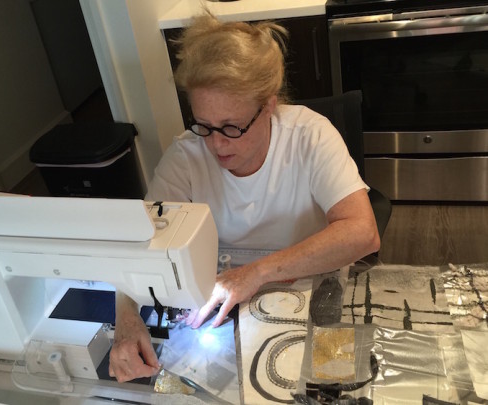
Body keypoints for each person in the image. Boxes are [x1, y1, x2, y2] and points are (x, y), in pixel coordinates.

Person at [108, 12, 380, 383]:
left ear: (268, 106)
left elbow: (362, 232)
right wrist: (125, 317)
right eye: (204, 125)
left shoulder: (310, 135)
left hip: (313, 289)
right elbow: (141, 246)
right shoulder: (186, 156)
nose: (217, 144)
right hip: (226, 302)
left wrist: (256, 272)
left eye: (232, 127)